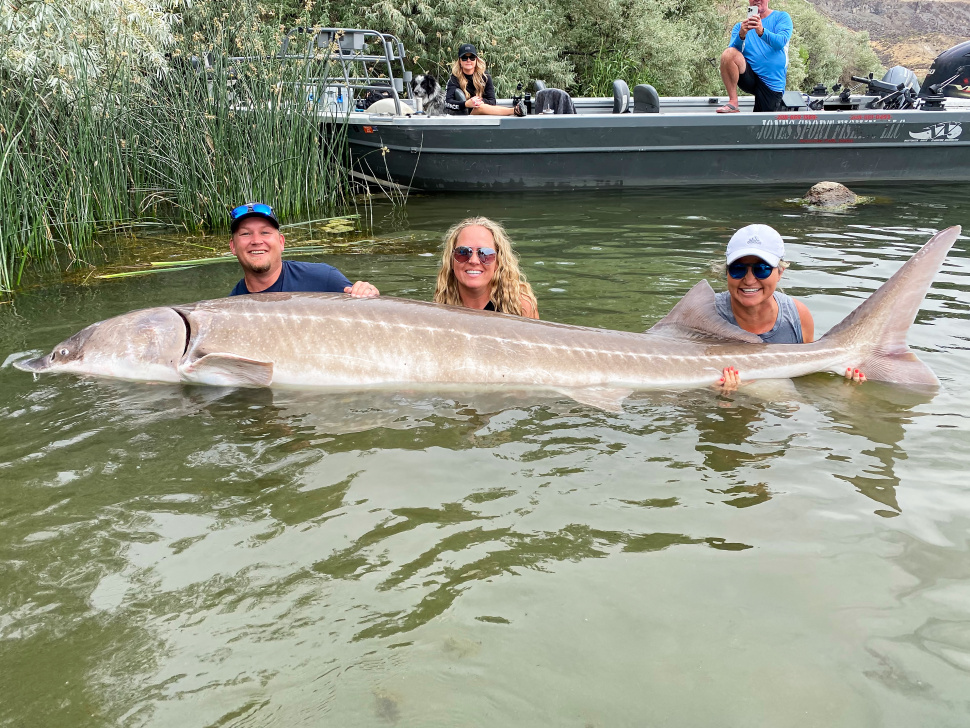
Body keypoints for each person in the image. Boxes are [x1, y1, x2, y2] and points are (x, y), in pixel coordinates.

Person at [716, 224, 865, 389]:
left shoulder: (798, 315)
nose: (749, 280)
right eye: (738, 269)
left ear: (780, 272)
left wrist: (844, 382)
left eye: (762, 269)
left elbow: (807, 376)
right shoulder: (703, 312)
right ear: (727, 273)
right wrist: (711, 393)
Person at [227, 202, 379, 298]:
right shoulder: (232, 305)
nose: (256, 241)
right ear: (233, 247)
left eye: (265, 232)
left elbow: (369, 316)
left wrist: (370, 294)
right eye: (246, 234)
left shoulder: (324, 278)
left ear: (281, 242)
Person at [433, 217, 539, 318]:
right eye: (463, 252)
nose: (474, 261)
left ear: (498, 261)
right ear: (451, 260)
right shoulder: (441, 305)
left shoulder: (521, 306)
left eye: (485, 253)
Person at [717, 0, 793, 113]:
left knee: (761, 128)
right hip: (749, 76)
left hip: (771, 83)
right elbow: (730, 57)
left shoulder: (781, 17)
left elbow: (780, 42)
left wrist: (761, 31)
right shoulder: (739, 27)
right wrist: (741, 35)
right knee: (728, 54)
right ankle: (733, 102)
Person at [444, 44, 526, 117]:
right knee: (479, 107)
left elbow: (492, 101)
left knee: (479, 107)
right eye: (464, 58)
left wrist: (478, 101)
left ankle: (516, 110)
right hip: (462, 118)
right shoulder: (453, 79)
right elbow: (447, 103)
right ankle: (514, 110)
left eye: (472, 57)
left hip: (482, 116)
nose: (468, 60)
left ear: (476, 60)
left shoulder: (485, 77)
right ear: (460, 61)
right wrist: (466, 104)